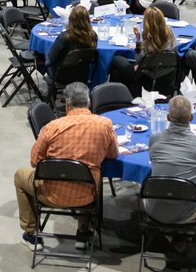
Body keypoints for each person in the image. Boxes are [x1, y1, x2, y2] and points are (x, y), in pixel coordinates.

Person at [14, 82, 118, 249]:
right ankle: (84, 232)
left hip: (52, 195)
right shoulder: (105, 125)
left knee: (20, 176)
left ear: (67, 104)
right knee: (91, 174)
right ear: (89, 101)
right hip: (88, 196)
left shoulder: (52, 128)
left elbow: (35, 161)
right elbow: (113, 154)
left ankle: (31, 234)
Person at [146, 95, 196, 223]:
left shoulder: (154, 139)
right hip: (187, 211)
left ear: (168, 117)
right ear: (191, 118)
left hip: (155, 209)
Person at [107, 6, 176, 94]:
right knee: (116, 74)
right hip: (165, 72)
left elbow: (139, 60)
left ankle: (113, 93)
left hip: (145, 75)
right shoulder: (169, 33)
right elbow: (174, 48)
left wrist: (138, 41)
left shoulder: (148, 39)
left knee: (115, 59)